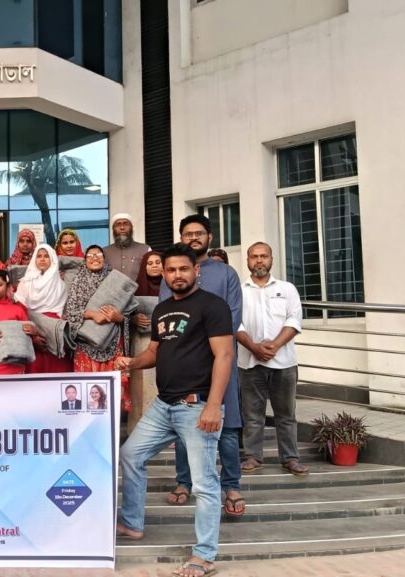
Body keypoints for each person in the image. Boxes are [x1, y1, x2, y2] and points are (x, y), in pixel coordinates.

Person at [114, 242, 234, 577]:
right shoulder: (162, 309)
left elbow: (225, 355)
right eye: (171, 270)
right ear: (164, 274)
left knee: (204, 483)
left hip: (196, 406)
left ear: (196, 270)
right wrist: (132, 362)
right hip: (163, 405)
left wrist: (214, 405)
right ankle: (133, 523)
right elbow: (154, 352)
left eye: (183, 268)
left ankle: (204, 555)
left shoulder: (213, 306)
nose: (177, 275)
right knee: (130, 454)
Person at [160, 214, 245, 516]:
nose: (193, 238)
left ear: (210, 237)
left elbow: (233, 317)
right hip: (186, 364)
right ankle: (184, 482)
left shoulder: (226, 273)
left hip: (222, 359)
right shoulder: (172, 274)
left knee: (229, 425)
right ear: (181, 237)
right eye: (188, 234)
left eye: (199, 233)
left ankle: (231, 485)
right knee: (186, 425)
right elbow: (167, 317)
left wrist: (206, 343)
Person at [236, 242, 308, 476]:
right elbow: (235, 323)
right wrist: (254, 348)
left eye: (264, 256)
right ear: (248, 260)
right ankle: (253, 457)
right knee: (252, 415)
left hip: (284, 363)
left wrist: (273, 346)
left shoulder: (287, 289)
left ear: (271, 259)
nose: (259, 260)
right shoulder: (239, 291)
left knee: (286, 415)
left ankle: (290, 458)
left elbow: (294, 320)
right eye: (254, 256)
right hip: (249, 362)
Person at [64, 246, 130, 406]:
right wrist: (92, 314)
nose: (95, 258)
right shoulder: (78, 282)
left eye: (99, 254)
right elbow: (70, 313)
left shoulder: (115, 281)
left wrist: (119, 318)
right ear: (85, 260)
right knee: (88, 392)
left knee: (112, 395)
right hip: (85, 345)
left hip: (112, 343)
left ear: (104, 259)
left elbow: (130, 313)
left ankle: (113, 420)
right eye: (90, 255)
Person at [14, 244, 71, 373]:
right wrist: (34, 335)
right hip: (31, 330)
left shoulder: (61, 284)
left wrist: (51, 331)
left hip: (54, 332)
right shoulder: (26, 282)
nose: (42, 259)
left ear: (53, 259)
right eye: (39, 256)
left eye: (46, 256)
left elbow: (64, 311)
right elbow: (20, 308)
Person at [128, 250, 163, 433]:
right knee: (140, 387)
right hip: (141, 343)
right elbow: (123, 315)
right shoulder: (135, 290)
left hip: (165, 344)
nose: (154, 266)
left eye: (158, 262)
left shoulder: (173, 288)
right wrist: (133, 319)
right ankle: (140, 430)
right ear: (144, 267)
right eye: (150, 263)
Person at [103, 213, 152, 277]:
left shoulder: (145, 249)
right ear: (113, 229)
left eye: (126, 224)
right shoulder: (104, 252)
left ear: (131, 228)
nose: (122, 228)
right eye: (118, 225)